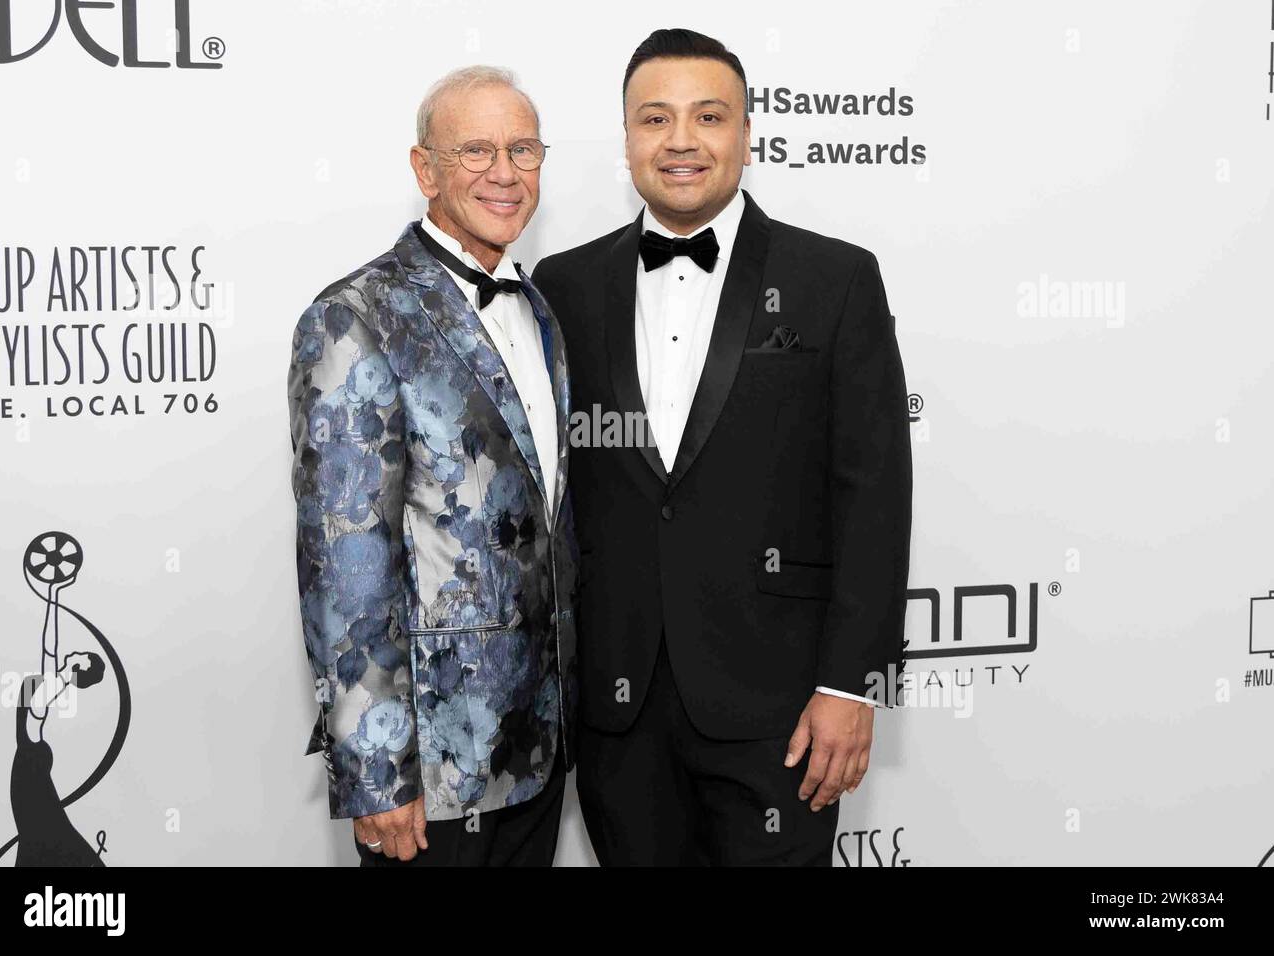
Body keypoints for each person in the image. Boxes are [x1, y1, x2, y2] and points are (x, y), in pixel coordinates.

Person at [532, 28, 913, 866]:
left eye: (709, 116)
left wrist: (850, 684)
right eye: (654, 118)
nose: (681, 141)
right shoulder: (562, 285)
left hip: (781, 712)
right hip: (616, 707)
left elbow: (873, 493)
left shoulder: (835, 280)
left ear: (747, 132)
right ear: (626, 137)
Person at [287, 65, 577, 866]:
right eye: (476, 150)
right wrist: (377, 774)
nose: (505, 172)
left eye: (524, 150)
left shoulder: (540, 310)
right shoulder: (354, 317)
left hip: (540, 751)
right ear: (425, 170)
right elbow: (343, 558)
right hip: (433, 773)